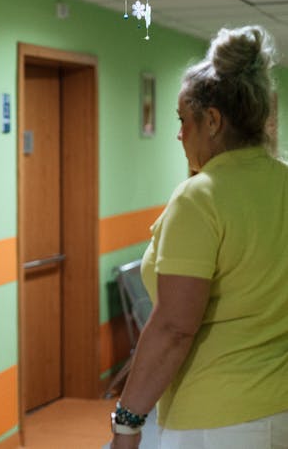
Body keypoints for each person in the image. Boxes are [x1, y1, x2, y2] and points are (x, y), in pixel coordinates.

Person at [110, 25, 288, 449]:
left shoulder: (199, 197)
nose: (178, 134)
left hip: (219, 420)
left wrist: (127, 424)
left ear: (212, 121)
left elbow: (173, 327)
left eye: (183, 121)